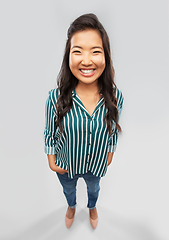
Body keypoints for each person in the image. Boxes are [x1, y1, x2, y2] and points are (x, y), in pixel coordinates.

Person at [44, 13, 124, 229]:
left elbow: (113, 130)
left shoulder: (115, 97)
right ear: (68, 57)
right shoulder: (55, 97)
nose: (86, 61)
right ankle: (71, 206)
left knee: (94, 189)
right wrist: (51, 160)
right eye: (77, 52)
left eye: (95, 52)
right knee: (68, 190)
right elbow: (49, 131)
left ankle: (92, 206)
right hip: (66, 164)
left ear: (105, 56)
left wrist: (110, 153)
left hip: (96, 164)